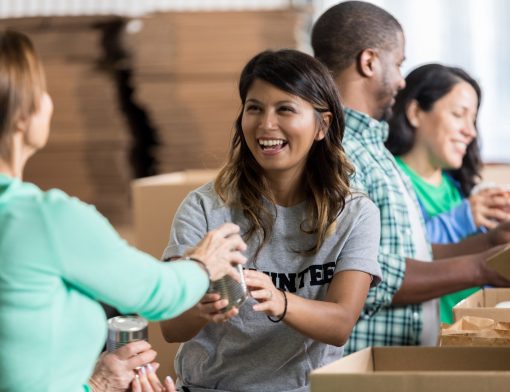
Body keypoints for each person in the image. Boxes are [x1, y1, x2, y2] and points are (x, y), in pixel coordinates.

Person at [0, 29, 247, 392]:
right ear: (23, 114)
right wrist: (202, 264)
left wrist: (93, 386)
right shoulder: (44, 218)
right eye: (42, 90)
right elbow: (155, 293)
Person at [160, 49, 382, 392]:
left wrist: (280, 300)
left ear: (322, 125)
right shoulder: (205, 208)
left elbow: (340, 323)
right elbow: (171, 328)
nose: (266, 125)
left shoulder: (354, 213)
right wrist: (202, 304)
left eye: (285, 109)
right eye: (255, 108)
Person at [311, 0, 510, 354]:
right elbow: (364, 275)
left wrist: (489, 244)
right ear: (369, 62)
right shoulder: (338, 151)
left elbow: (408, 254)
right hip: (358, 366)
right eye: (399, 63)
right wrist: (482, 268)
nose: (403, 80)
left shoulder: (372, 149)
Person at [385, 63, 510, 323]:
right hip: (425, 343)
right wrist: (462, 218)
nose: (470, 131)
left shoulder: (457, 188)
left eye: (472, 118)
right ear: (416, 112)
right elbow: (397, 259)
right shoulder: (389, 178)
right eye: (458, 114)